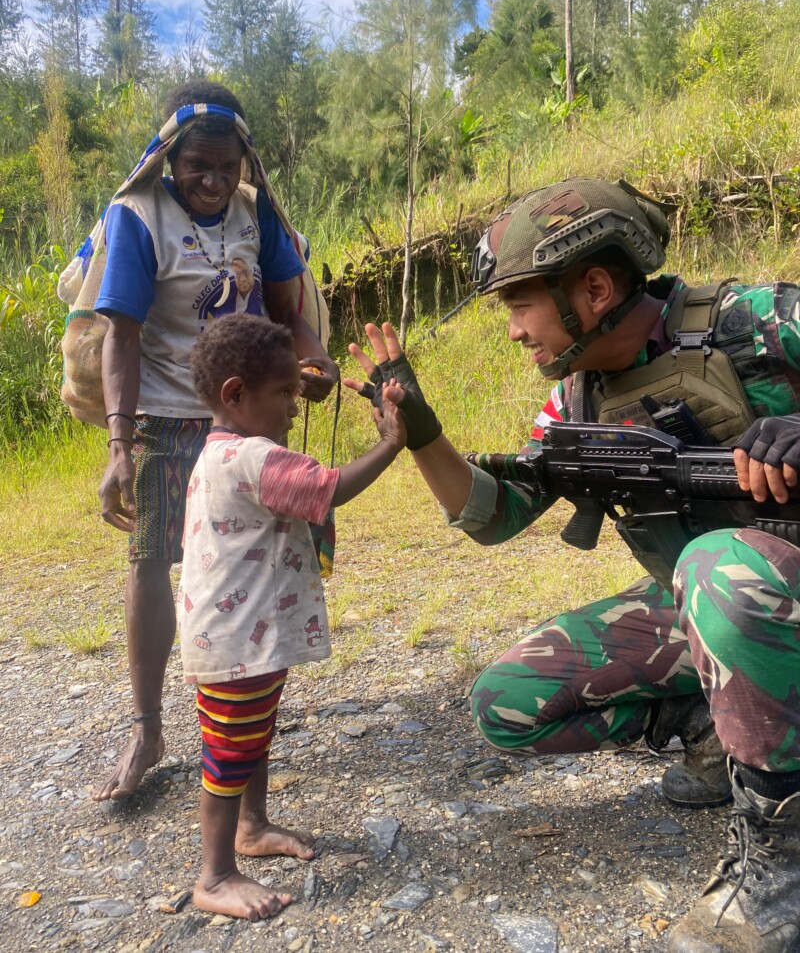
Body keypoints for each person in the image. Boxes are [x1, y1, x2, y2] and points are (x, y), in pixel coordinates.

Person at [346, 178, 800, 953]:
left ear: (593, 289)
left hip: (752, 589)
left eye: (521, 306)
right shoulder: (577, 401)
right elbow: (494, 512)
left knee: (716, 568)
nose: (515, 331)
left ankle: (781, 876)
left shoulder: (754, 323)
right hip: (715, 608)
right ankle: (718, 727)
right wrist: (422, 434)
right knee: (508, 700)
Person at [92, 80, 339, 803]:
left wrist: (313, 360)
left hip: (248, 421)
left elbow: (292, 310)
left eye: (226, 167)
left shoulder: (254, 214)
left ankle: (244, 719)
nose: (213, 180)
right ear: (169, 158)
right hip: (167, 417)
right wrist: (118, 445)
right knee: (150, 558)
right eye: (197, 165)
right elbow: (122, 335)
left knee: (260, 566)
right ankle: (145, 725)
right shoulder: (138, 216)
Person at [179, 313, 404, 920]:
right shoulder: (252, 458)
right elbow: (328, 488)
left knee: (252, 735)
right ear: (235, 394)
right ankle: (216, 874)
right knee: (229, 752)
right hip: (235, 644)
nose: (294, 409)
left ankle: (251, 828)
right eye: (283, 394)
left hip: (241, 636)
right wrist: (390, 443)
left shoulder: (221, 451)